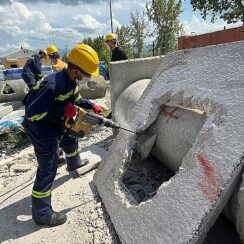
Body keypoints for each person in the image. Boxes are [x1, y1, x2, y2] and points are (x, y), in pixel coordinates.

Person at [22, 44, 103, 227]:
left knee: (70, 136)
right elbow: (32, 114)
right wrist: (61, 110)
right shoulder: (51, 85)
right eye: (87, 74)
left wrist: (91, 105)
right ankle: (42, 214)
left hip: (54, 122)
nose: (87, 77)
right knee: (48, 168)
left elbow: (75, 99)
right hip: (40, 129)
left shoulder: (70, 82)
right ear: (76, 71)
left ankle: (74, 163)